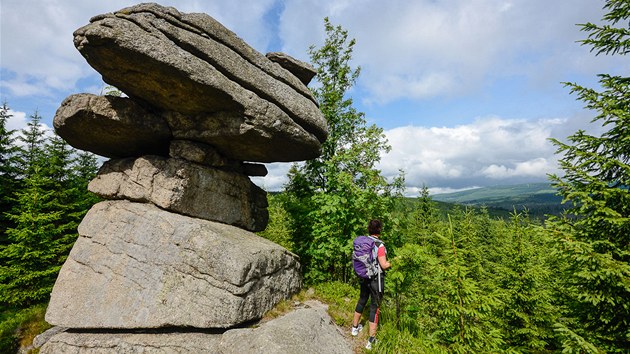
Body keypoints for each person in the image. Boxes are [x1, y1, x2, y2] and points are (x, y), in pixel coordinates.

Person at [351, 219, 391, 350]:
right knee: (375, 307)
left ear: (369, 229)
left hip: (364, 276)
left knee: (362, 300)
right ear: (380, 230)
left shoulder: (363, 241)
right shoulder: (379, 245)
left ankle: (354, 328)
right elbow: (384, 265)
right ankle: (371, 341)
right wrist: (393, 262)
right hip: (376, 280)